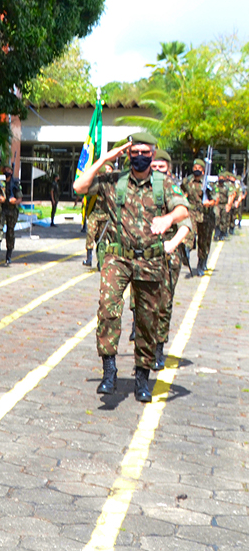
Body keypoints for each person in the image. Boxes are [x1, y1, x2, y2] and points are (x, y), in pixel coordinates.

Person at [73, 132, 190, 403]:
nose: (139, 157)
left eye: (145, 153)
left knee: (148, 321)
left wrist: (168, 218)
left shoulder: (163, 183)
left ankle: (141, 377)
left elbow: (183, 210)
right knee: (107, 309)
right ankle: (109, 369)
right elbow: (80, 186)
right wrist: (104, 158)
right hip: (118, 257)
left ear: (152, 154)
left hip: (150, 259)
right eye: (134, 152)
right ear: (127, 154)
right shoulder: (115, 181)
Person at [148, 150, 191, 369]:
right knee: (142, 304)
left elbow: (186, 224)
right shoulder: (142, 188)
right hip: (143, 255)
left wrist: (171, 245)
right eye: (153, 167)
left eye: (161, 168)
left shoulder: (173, 190)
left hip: (166, 255)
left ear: (169, 169)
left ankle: (157, 349)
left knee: (163, 304)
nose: (156, 171)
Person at [181, 158, 212, 276]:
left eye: (199, 168)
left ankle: (201, 263)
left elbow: (216, 199)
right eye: (195, 168)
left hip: (205, 215)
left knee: (203, 242)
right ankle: (186, 252)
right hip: (192, 212)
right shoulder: (187, 181)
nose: (197, 170)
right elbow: (182, 191)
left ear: (203, 170)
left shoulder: (207, 183)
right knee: (189, 233)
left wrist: (209, 202)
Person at [83, 162, 114, 269]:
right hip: (94, 214)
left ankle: (101, 261)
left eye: (109, 169)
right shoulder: (95, 183)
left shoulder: (111, 184)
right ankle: (89, 259)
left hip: (105, 216)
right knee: (90, 235)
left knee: (102, 239)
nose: (106, 171)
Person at [0, 163, 22, 266]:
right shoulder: (1, 183)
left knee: (10, 233)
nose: (6, 172)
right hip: (2, 210)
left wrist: (14, 201)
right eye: (5, 169)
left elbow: (19, 198)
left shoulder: (14, 183)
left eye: (8, 170)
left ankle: (9, 255)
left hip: (12, 211)